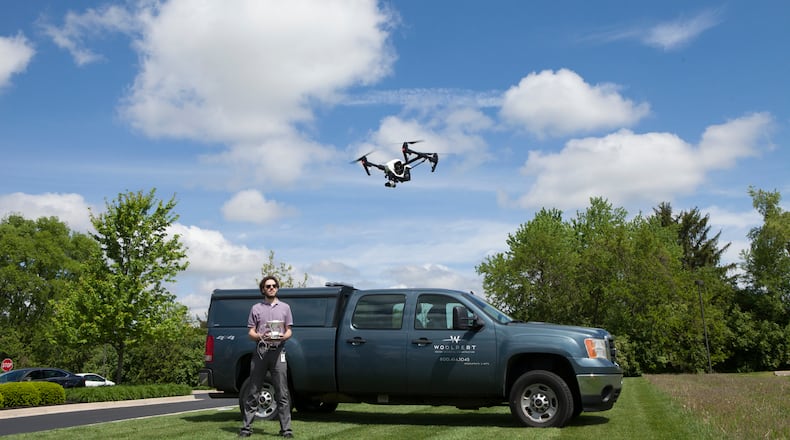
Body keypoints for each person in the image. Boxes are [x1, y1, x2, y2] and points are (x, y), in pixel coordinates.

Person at [239, 276, 294, 438]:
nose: (271, 288)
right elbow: (250, 332)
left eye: (274, 285)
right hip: (261, 352)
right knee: (254, 390)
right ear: (263, 289)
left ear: (277, 288)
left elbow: (289, 330)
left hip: (278, 352)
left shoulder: (285, 308)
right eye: (268, 286)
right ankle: (246, 428)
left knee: (282, 392)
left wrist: (283, 337)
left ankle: (286, 430)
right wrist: (259, 336)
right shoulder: (256, 308)